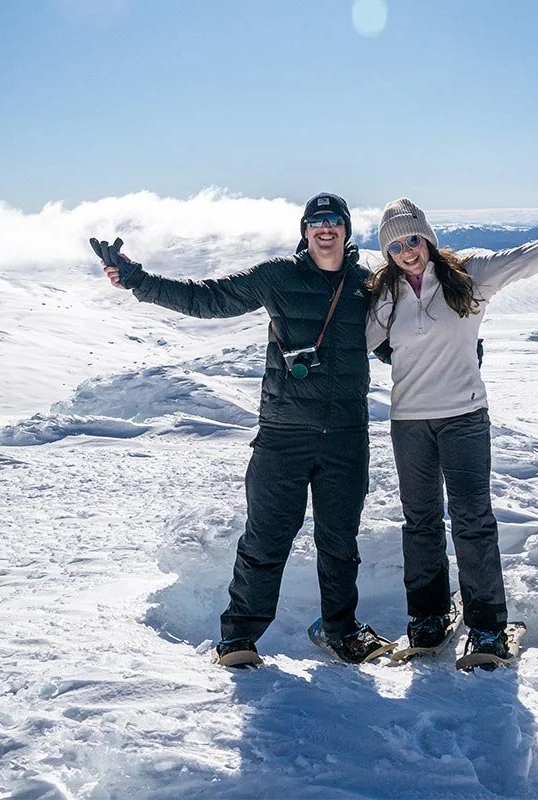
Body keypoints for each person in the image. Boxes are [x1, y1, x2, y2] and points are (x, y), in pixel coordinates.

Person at [92, 192, 389, 667]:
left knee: (340, 542)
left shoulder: (368, 284)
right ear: (305, 230)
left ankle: (342, 630)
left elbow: (398, 339)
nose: (325, 228)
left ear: (348, 229)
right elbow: (207, 298)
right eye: (316, 221)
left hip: (346, 436)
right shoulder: (277, 276)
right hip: (283, 435)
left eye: (334, 220)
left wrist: (455, 349)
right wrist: (137, 280)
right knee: (266, 537)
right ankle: (238, 639)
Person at [366, 190, 538, 668]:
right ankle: (429, 616)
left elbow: (529, 258)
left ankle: (487, 624)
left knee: (473, 521)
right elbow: (349, 344)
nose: (407, 251)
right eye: (395, 246)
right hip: (410, 422)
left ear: (428, 237)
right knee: (421, 522)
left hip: (464, 419)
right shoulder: (385, 295)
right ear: (387, 254)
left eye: (413, 239)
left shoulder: (469, 276)